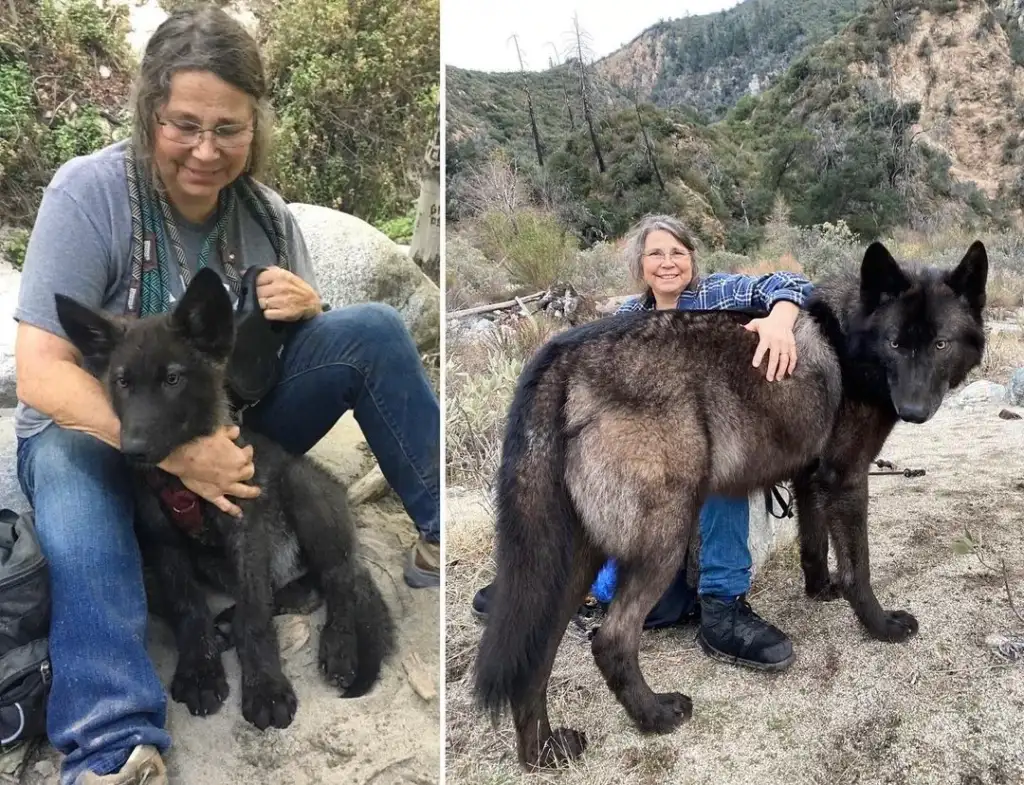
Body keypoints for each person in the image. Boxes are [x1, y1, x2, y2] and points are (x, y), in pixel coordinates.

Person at [13, 7, 439, 784]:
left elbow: (271, 362)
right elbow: (40, 371)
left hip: (226, 409)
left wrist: (311, 312)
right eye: (185, 124)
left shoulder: (266, 216)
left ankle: (443, 529)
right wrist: (180, 456)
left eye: (229, 128)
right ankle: (114, 741)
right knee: (74, 474)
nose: (206, 150)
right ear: (150, 115)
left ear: (255, 127)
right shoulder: (92, 194)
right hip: (98, 431)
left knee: (372, 328)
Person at [472, 213, 812, 674]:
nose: (668, 263)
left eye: (678, 252)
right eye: (656, 253)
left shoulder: (716, 294)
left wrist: (781, 318)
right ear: (640, 265)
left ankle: (723, 609)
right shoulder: (629, 319)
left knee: (718, 473)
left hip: (716, 441)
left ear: (693, 259)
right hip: (654, 445)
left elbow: (791, 282)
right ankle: (540, 580)